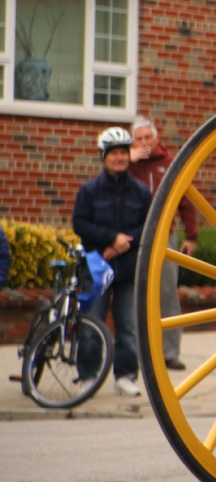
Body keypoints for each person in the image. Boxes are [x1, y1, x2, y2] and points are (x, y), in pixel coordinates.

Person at [72, 127, 152, 395]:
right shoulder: (89, 190)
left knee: (128, 325)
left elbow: (152, 226)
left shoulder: (141, 192)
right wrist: (110, 238)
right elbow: (79, 224)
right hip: (96, 267)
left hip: (129, 269)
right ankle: (87, 376)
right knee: (91, 324)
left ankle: (125, 376)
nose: (119, 158)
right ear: (103, 157)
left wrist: (124, 243)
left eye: (123, 153)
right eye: (113, 153)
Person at [129, 117, 198, 371]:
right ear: (132, 142)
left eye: (148, 137)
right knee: (135, 295)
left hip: (164, 236)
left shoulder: (170, 164)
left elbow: (187, 202)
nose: (144, 143)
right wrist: (129, 160)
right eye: (139, 139)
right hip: (133, 238)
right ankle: (135, 351)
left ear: (157, 139)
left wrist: (191, 236)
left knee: (168, 295)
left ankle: (170, 353)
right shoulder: (126, 164)